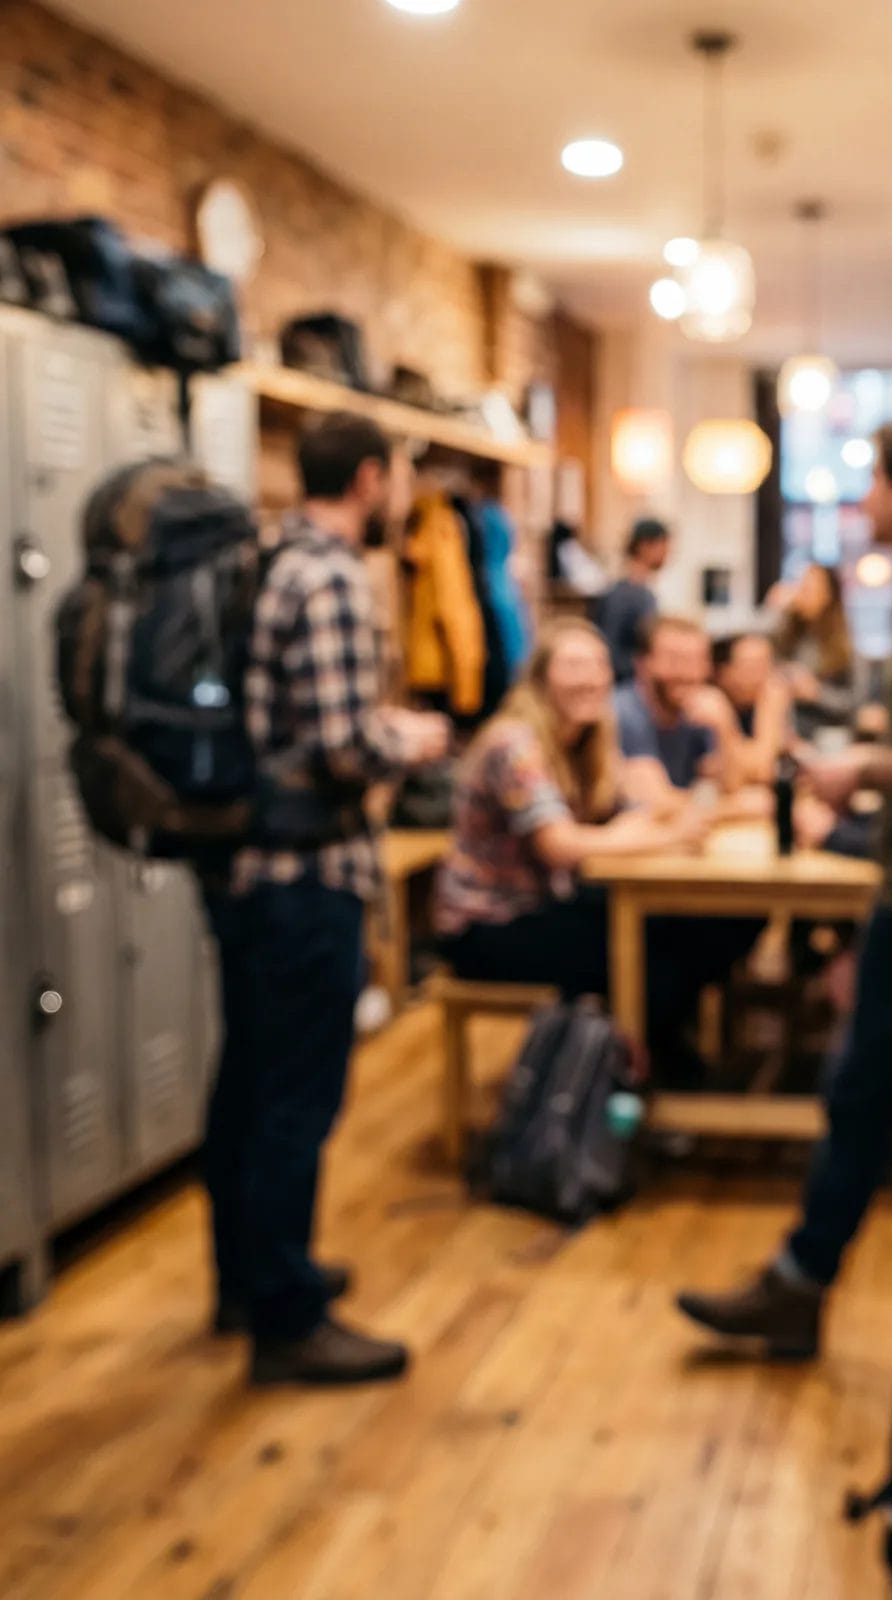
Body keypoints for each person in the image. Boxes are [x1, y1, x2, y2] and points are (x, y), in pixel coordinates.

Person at [676, 412, 892, 1359]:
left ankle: (799, 1287)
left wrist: (857, 771)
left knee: (860, 1091)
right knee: (860, 1091)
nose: (862, 498)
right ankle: (799, 1284)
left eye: (874, 478)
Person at [206, 412, 451, 1386]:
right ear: (366, 477)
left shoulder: (266, 558)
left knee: (248, 1084)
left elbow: (288, 722)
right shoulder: (334, 577)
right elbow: (346, 747)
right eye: (391, 477)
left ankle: (245, 1278)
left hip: (243, 867)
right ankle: (287, 1317)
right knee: (297, 1100)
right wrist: (413, 741)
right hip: (307, 877)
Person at [434, 618, 707, 1015]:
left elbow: (636, 807)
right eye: (574, 665)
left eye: (599, 665)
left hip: (544, 905)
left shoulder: (586, 738)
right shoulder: (515, 743)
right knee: (653, 956)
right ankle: (627, 1064)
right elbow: (559, 846)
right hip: (486, 925)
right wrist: (667, 835)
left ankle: (638, 1057)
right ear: (541, 677)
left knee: (680, 929)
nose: (591, 679)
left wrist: (638, 820)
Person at [613, 613, 726, 804]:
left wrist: (725, 725)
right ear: (642, 663)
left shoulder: (696, 713)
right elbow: (657, 803)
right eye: (675, 660)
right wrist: (736, 807)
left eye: (697, 660)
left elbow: (726, 784)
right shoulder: (622, 713)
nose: (687, 673)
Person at [772, 562, 858, 739]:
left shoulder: (845, 645)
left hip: (828, 736)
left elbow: (856, 705)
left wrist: (816, 692)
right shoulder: (788, 634)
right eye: (800, 585)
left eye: (809, 586)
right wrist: (775, 610)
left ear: (828, 594)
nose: (801, 591)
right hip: (788, 734)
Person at [592, 517, 671, 683]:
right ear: (644, 546)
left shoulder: (642, 591)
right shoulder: (624, 595)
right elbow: (609, 649)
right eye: (663, 545)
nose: (667, 553)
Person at [713, 632, 793, 787]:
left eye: (767, 665)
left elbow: (767, 767)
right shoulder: (708, 705)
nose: (763, 677)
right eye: (752, 667)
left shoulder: (761, 701)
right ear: (722, 673)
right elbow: (761, 770)